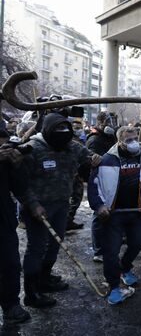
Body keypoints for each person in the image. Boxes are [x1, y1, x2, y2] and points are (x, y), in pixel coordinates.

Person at [18, 113, 100, 308]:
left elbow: (90, 158)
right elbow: (20, 183)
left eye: (67, 131)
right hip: (38, 208)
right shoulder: (33, 149)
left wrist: (95, 159)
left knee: (55, 244)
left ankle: (44, 279)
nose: (63, 135)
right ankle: (31, 293)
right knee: (37, 248)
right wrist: (33, 205)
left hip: (62, 204)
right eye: (58, 130)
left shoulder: (71, 146)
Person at [88, 126, 141, 305]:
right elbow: (93, 186)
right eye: (128, 140)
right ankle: (114, 287)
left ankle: (125, 268)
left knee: (137, 243)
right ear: (119, 142)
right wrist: (99, 206)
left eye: (135, 138)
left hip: (137, 212)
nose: (133, 143)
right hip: (113, 215)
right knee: (111, 252)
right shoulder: (106, 160)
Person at [0, 134, 31, 324]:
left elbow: (20, 187)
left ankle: (11, 305)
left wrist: (18, 165)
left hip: (4, 221)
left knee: (11, 265)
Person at [86, 111, 118, 262]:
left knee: (110, 213)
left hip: (112, 178)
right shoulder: (94, 140)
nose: (112, 125)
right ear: (100, 123)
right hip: (101, 180)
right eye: (109, 122)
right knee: (99, 215)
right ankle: (98, 250)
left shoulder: (109, 137)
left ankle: (107, 244)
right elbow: (94, 163)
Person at [66, 117, 88, 231]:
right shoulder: (67, 140)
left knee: (77, 198)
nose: (78, 130)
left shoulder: (80, 140)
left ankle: (69, 220)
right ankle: (65, 221)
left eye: (80, 128)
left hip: (78, 173)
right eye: (76, 128)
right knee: (69, 198)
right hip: (69, 174)